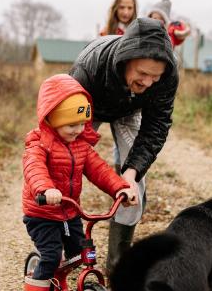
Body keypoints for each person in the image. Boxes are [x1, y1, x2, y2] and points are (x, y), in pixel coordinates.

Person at [70, 17, 179, 274]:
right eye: (142, 73)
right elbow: (65, 122)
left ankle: (117, 265)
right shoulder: (89, 68)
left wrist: (129, 174)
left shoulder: (166, 77)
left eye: (155, 76)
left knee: (135, 184)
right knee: (66, 166)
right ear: (126, 59)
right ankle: (62, 245)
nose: (148, 82)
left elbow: (156, 127)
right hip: (87, 106)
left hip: (129, 109)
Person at [21, 74, 137, 291]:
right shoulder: (39, 145)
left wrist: (120, 189)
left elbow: (99, 170)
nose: (78, 129)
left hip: (70, 212)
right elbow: (34, 170)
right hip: (42, 214)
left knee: (77, 253)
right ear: (52, 119)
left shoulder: (81, 146)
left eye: (82, 123)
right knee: (52, 255)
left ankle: (59, 276)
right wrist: (45, 189)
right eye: (71, 124)